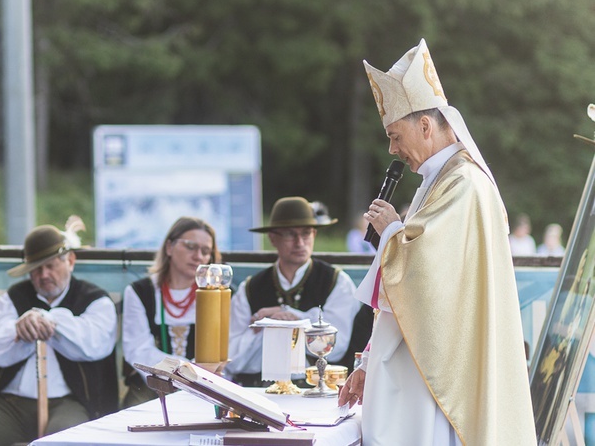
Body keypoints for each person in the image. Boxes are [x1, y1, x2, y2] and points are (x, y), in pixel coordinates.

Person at [339, 39, 535, 444]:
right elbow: (411, 288)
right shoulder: (441, 181)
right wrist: (369, 359)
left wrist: (393, 230)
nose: (393, 149)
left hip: (439, 380)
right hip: (421, 369)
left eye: (395, 136)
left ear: (425, 125)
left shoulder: (464, 185)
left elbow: (423, 276)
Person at [0, 223, 119, 445]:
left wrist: (50, 320)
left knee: (64, 437)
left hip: (68, 402)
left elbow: (94, 346)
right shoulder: (14, 298)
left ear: (69, 261)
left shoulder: (96, 300)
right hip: (12, 403)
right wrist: (20, 330)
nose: (44, 275)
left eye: (50, 266)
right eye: (36, 269)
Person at [226, 197, 366, 386]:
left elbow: (336, 346)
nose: (300, 242)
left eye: (306, 233)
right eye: (290, 234)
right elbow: (232, 358)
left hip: (318, 391)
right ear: (273, 239)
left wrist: (287, 317)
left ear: (314, 235)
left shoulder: (336, 282)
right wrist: (276, 324)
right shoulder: (250, 288)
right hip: (258, 391)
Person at [121, 216, 221, 408]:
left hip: (203, 388)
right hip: (150, 386)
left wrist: (196, 377)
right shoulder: (141, 291)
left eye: (206, 251)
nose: (198, 256)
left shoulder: (217, 294)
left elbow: (224, 349)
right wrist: (184, 370)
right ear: (169, 247)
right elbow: (138, 349)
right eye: (191, 247)